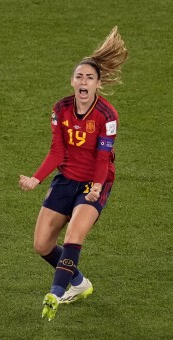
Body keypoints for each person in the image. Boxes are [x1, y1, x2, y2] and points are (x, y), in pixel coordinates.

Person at [19, 26, 128, 321]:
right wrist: (35, 178)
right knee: (41, 244)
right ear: (72, 81)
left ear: (98, 84)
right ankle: (79, 283)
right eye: (79, 76)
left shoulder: (107, 116)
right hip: (66, 178)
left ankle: (55, 292)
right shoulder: (61, 109)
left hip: (95, 182)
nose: (83, 82)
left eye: (89, 78)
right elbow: (57, 151)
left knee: (72, 236)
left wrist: (95, 186)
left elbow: (103, 158)